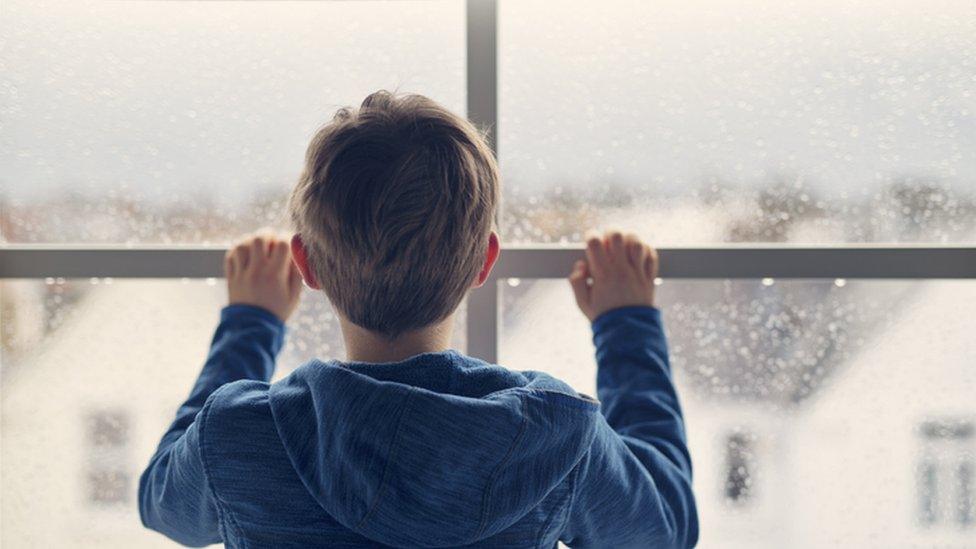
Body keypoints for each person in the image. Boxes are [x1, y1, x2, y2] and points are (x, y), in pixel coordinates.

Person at [138, 91, 698, 548]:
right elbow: (666, 526)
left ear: (305, 263)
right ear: (485, 262)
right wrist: (627, 323)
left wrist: (250, 321)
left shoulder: (240, 435)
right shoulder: (556, 437)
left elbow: (162, 505)